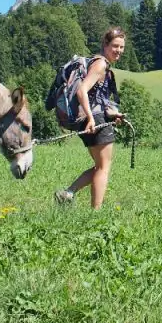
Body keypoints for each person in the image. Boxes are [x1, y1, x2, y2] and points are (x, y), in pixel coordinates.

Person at [54, 27, 127, 209]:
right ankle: (96, 213)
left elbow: (98, 99)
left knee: (99, 166)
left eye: (122, 47)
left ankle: (67, 193)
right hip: (94, 121)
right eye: (115, 46)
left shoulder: (99, 64)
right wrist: (91, 118)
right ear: (105, 45)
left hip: (93, 119)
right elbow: (82, 91)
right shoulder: (100, 64)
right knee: (104, 168)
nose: (118, 51)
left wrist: (113, 114)